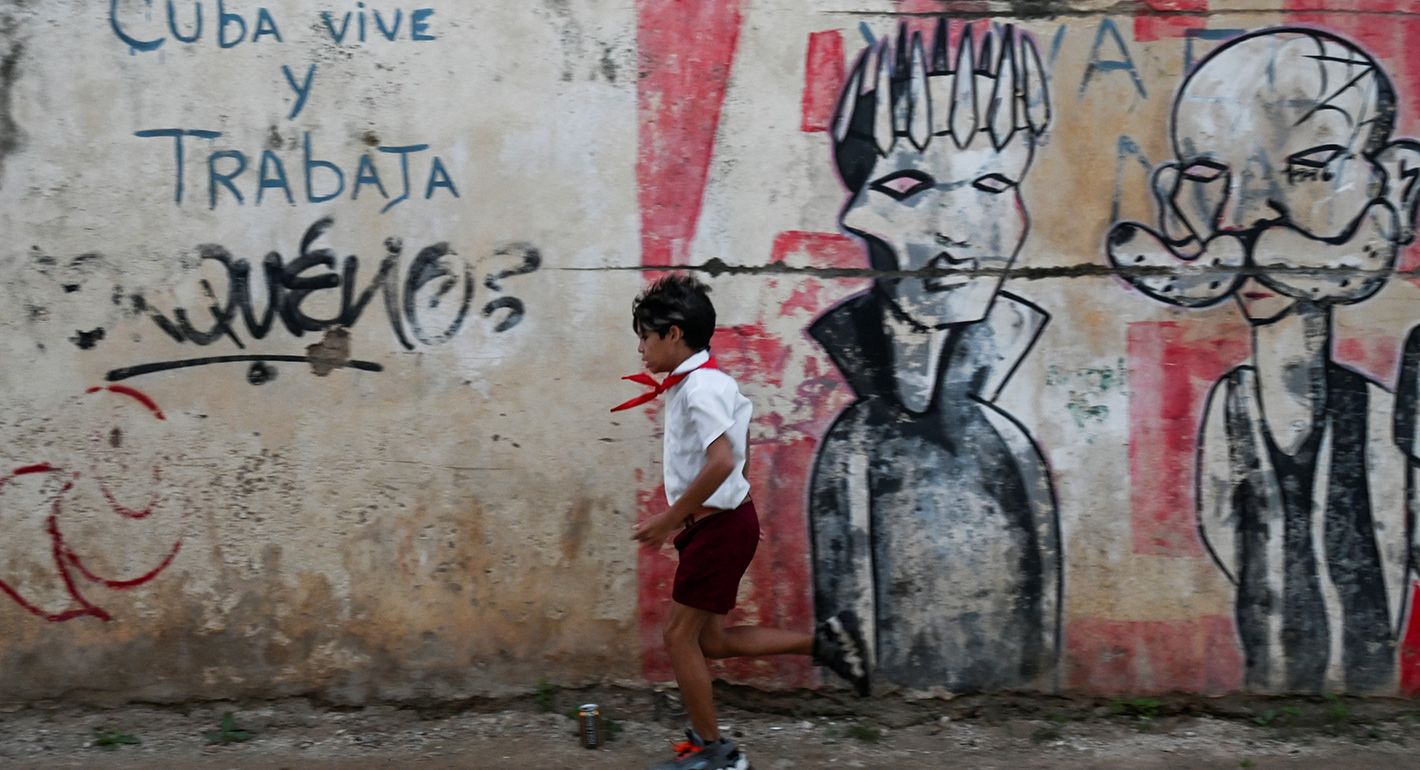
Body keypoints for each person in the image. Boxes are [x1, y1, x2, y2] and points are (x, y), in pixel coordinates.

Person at [1104, 28, 1420, 692]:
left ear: (1394, 188)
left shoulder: (1382, 411)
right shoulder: (1232, 406)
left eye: (1308, 169)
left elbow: (1398, 538)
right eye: (1208, 176)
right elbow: (1222, 525)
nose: (1244, 218)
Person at [614, 274, 870, 770]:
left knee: (678, 638)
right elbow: (741, 458)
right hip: (719, 526)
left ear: (673, 334)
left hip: (717, 528)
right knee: (708, 641)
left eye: (645, 336)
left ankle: (717, 753)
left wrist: (672, 518)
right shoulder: (706, 382)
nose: (641, 348)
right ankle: (826, 642)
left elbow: (722, 461)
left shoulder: (701, 388)